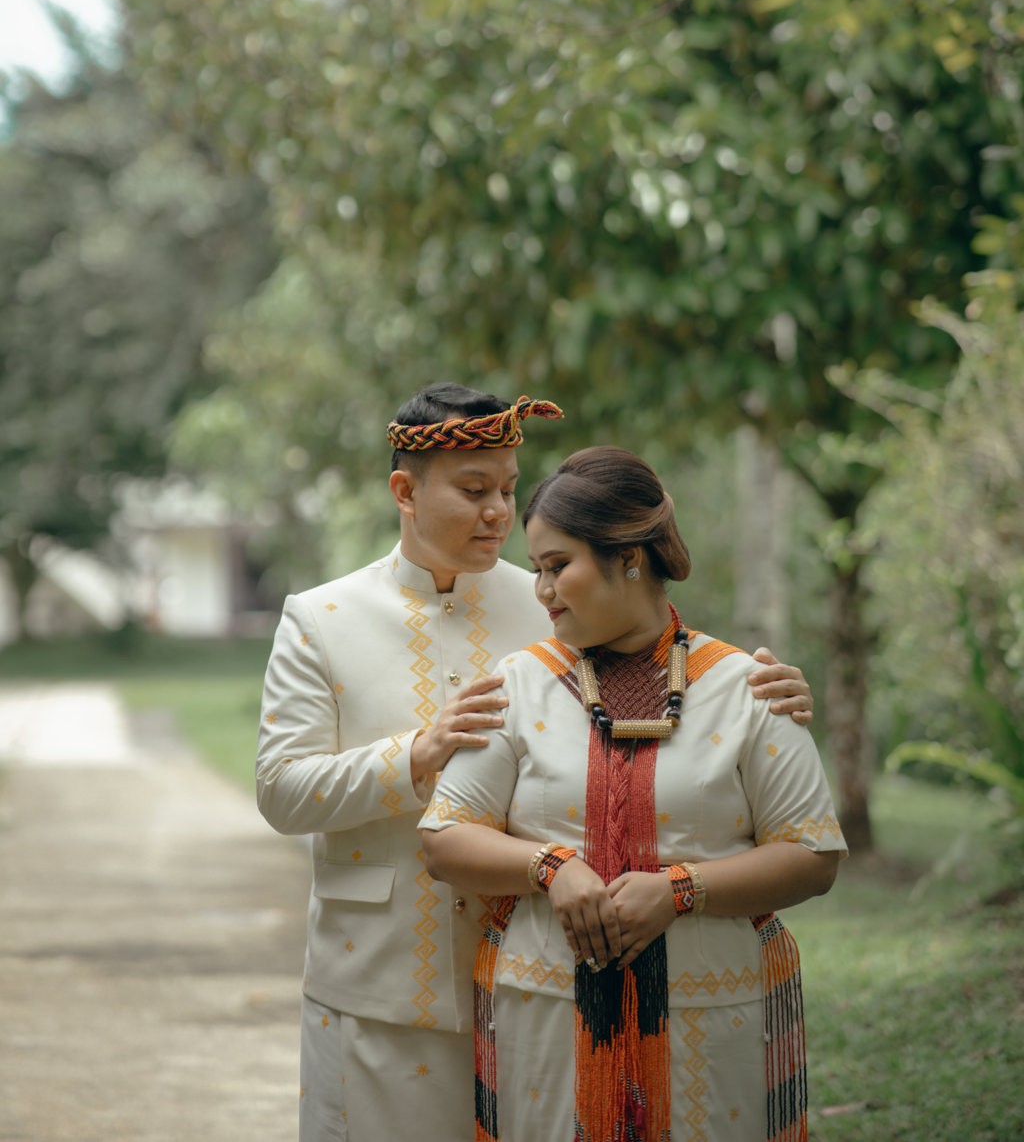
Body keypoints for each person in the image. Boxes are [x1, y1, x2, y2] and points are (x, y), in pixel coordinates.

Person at [256, 386, 818, 1142]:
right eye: (474, 490)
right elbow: (281, 791)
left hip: (538, 984)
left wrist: (770, 689)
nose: (498, 511)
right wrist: (418, 753)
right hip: (381, 978)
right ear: (405, 492)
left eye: (508, 488)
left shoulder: (552, 597)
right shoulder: (322, 618)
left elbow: (671, 671)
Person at [420, 445, 846, 1142]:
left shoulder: (746, 687)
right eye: (537, 569)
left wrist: (680, 889)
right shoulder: (519, 684)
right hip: (546, 1014)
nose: (542, 589)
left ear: (628, 557)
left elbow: (814, 854)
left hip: (710, 1022)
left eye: (558, 565)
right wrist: (552, 867)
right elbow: (444, 838)